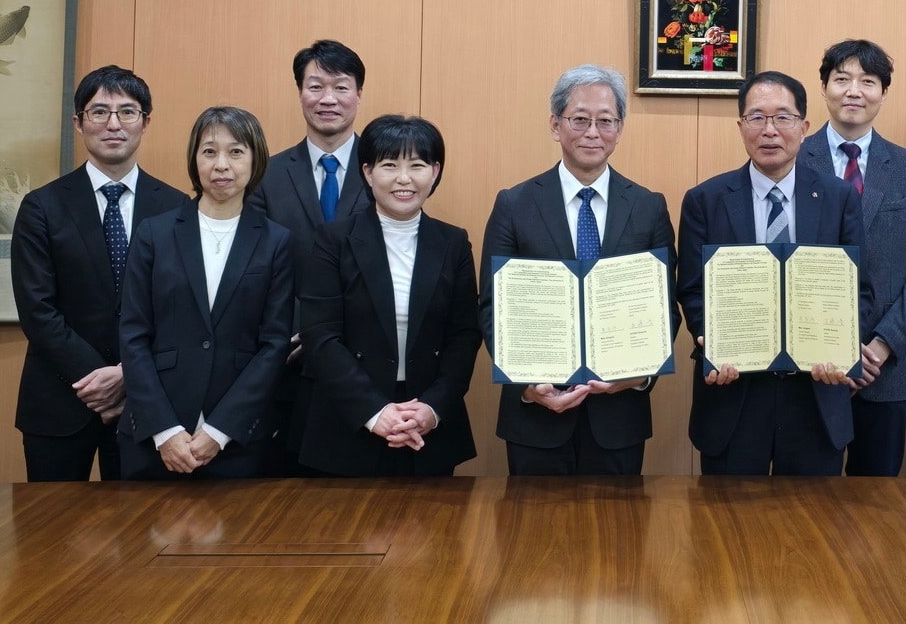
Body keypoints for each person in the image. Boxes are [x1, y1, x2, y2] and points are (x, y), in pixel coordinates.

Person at [479, 65, 676, 475]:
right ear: (555, 124)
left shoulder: (648, 206)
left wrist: (638, 377)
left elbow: (665, 309)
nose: (593, 132)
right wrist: (528, 386)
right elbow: (491, 308)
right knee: (533, 536)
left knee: (619, 537)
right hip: (536, 417)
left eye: (606, 121)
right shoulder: (513, 205)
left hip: (619, 415)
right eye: (580, 119)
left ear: (619, 128)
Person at [678, 70, 869, 476]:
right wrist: (711, 340)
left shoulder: (839, 198)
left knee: (814, 529)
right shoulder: (705, 201)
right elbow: (693, 291)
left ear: (804, 127)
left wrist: (842, 347)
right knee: (726, 530)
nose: (770, 130)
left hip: (816, 394)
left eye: (782, 118)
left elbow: (859, 290)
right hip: (735, 394)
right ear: (740, 126)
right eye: (757, 118)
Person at [10, 66, 186, 481]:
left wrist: (127, 376)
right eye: (99, 112)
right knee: (50, 535)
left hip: (147, 402)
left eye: (127, 112)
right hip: (58, 397)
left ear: (145, 121)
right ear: (78, 122)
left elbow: (179, 308)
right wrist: (99, 382)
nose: (113, 124)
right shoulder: (41, 207)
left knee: (140, 535)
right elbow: (37, 310)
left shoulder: (178, 208)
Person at [299, 115, 482, 476]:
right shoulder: (334, 239)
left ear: (435, 171)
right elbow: (320, 336)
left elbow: (464, 335)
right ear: (367, 173)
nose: (404, 178)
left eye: (416, 165)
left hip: (426, 425)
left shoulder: (453, 242)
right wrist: (374, 412)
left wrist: (430, 409)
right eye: (389, 165)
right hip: (348, 420)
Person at [118, 107, 294, 479]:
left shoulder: (276, 241)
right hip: (155, 435)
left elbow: (274, 344)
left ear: (255, 159)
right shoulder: (155, 234)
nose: (221, 165)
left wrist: (218, 431)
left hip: (236, 439)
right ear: (194, 159)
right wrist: (165, 432)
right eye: (209, 151)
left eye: (236, 152)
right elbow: (133, 335)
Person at [799, 39, 906, 476]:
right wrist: (832, 349)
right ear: (823, 87)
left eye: (868, 81)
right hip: (811, 366)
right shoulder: (792, 159)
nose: (853, 90)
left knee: (876, 508)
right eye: (841, 79)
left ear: (884, 92)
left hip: (888, 365)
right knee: (808, 500)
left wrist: (879, 346)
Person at [245, 39, 370, 472]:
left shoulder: (386, 172)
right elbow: (258, 270)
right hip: (289, 361)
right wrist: (306, 334)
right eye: (316, 86)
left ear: (359, 95)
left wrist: (333, 339)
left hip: (366, 362)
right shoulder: (265, 176)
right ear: (300, 93)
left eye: (341, 87)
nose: (328, 99)